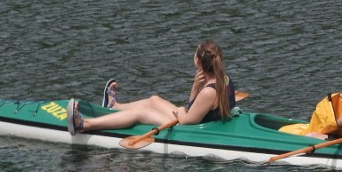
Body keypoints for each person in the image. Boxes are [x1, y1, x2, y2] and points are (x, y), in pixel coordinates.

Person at [67, 40, 236, 134]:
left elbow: (187, 120)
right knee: (153, 100)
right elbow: (194, 107)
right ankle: (114, 106)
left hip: (188, 129)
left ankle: (84, 124)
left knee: (141, 114)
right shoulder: (224, 79)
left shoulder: (208, 91)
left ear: (198, 61)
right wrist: (194, 87)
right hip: (195, 121)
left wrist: (179, 111)